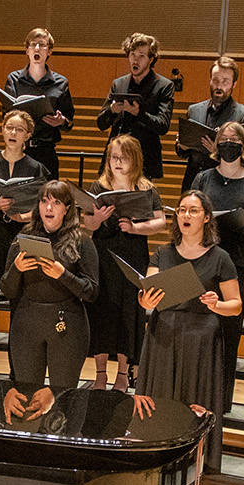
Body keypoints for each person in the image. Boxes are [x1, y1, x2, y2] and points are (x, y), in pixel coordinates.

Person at [134, 191, 243, 439]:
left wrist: (218, 305)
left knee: (194, 402)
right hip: (163, 334)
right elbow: (147, 292)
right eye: (182, 210)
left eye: (193, 211)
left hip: (201, 338)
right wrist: (145, 300)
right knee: (159, 401)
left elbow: (235, 305)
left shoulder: (220, 258)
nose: (186, 215)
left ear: (206, 218)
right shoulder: (163, 253)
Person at [3, 182, 100, 418]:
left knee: (62, 400)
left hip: (67, 326)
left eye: (56, 202)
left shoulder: (82, 241)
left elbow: (92, 291)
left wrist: (63, 275)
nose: (49, 207)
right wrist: (16, 269)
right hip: (27, 323)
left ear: (67, 208)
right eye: (44, 201)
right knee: (26, 398)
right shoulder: (23, 237)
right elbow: (7, 289)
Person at [191, 120, 244, 412]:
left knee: (228, 331)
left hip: (235, 262)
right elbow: (188, 210)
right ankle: (194, 394)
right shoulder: (203, 179)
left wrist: (236, 225)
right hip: (201, 258)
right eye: (223, 137)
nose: (228, 142)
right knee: (198, 326)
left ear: (243, 144)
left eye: (234, 138)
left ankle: (221, 401)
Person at [84, 134, 171, 391]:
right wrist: (97, 218)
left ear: (135, 160)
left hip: (133, 252)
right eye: (113, 158)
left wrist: (136, 227)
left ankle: (123, 373)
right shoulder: (98, 187)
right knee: (102, 310)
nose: (117, 162)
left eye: (123, 158)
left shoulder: (146, 188)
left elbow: (161, 221)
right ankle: (100, 374)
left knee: (128, 311)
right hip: (103, 253)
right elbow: (86, 223)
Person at [0, 109, 51, 378]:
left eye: (18, 129)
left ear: (28, 135)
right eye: (9, 128)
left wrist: (25, 215)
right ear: (3, 132)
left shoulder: (37, 168)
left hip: (23, 234)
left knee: (18, 298)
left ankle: (18, 368)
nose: (12, 133)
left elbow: (43, 208)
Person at [96, 32, 175, 181]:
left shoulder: (164, 86)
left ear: (151, 59)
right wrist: (112, 111)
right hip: (116, 158)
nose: (135, 60)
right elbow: (100, 123)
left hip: (143, 160)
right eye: (132, 54)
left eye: (141, 56)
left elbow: (163, 126)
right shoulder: (118, 84)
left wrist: (139, 113)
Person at [177, 56, 244, 193]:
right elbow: (182, 153)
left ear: (234, 84)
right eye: (215, 80)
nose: (219, 86)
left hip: (225, 187)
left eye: (225, 81)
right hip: (193, 185)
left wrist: (217, 151)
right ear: (210, 81)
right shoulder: (194, 110)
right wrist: (182, 146)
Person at [6, 27, 76, 178]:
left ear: (49, 51)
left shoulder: (61, 83)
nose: (37, 48)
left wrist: (61, 121)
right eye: (33, 44)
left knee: (48, 197)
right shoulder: (14, 79)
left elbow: (69, 121)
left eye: (42, 44)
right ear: (27, 50)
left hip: (46, 152)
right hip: (19, 149)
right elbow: (6, 115)